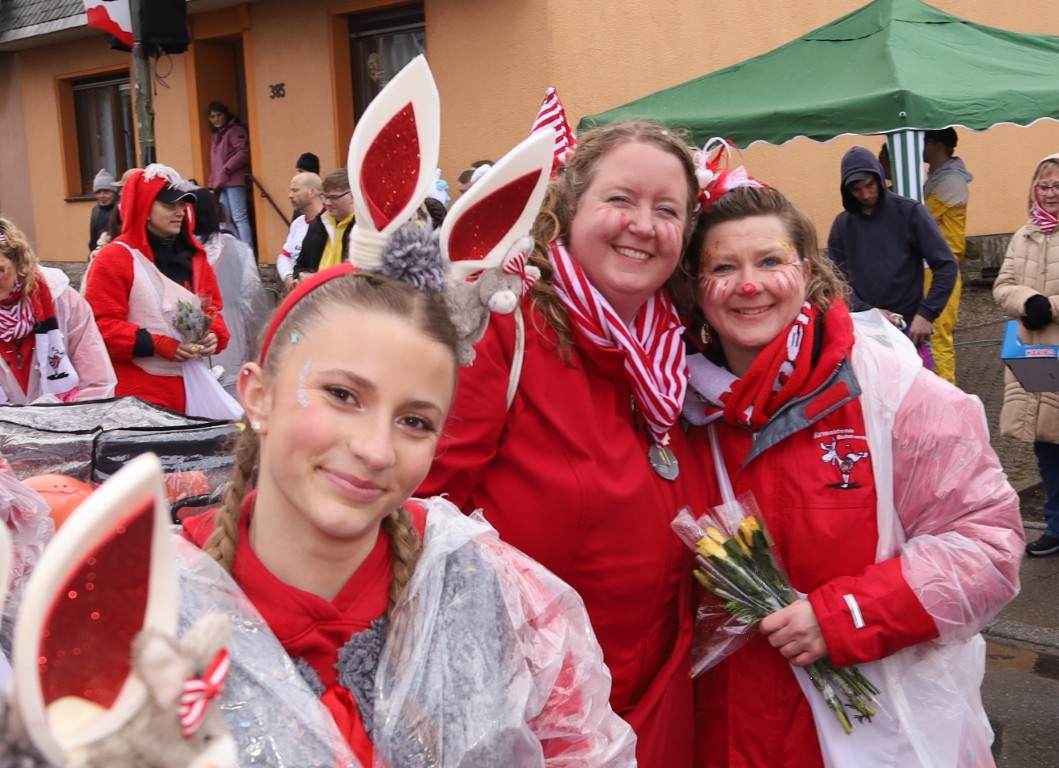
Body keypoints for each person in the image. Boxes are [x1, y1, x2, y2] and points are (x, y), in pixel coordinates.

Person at [180, 264, 637, 766]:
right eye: (343, 395)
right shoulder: (157, 604)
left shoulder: (485, 591)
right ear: (258, 397)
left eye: (415, 422)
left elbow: (579, 746)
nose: (376, 450)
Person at [683, 184, 1023, 767]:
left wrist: (845, 616)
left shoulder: (895, 394)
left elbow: (987, 548)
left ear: (807, 270)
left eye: (770, 260)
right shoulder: (676, 410)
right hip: (726, 735)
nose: (749, 285)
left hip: (876, 733)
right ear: (695, 286)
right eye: (723, 267)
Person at [419, 121, 711, 768]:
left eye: (667, 210)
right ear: (570, 207)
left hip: (658, 703)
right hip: (528, 717)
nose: (643, 225)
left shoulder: (685, 347)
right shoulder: (503, 327)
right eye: (620, 199)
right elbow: (420, 513)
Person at [83, 164, 234, 418]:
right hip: (138, 399)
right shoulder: (114, 259)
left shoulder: (193, 257)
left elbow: (212, 309)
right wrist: (157, 344)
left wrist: (214, 335)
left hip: (192, 388)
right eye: (169, 205)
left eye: (182, 205)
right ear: (144, 208)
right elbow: (100, 327)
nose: (179, 212)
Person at [827, 145, 958, 367]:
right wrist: (868, 311)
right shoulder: (842, 226)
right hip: (865, 333)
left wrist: (927, 314)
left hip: (909, 329)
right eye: (857, 190)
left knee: (920, 390)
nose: (865, 194)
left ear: (879, 178)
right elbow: (837, 282)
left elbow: (946, 265)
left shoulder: (910, 212)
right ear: (847, 191)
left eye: (869, 185)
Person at [994, 153, 1059, 557]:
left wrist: (1051, 307)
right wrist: (1027, 300)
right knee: (1047, 444)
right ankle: (1056, 525)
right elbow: (1002, 286)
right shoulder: (1024, 235)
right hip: (1037, 353)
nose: (1050, 193)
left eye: (1058, 186)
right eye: (1044, 185)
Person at [0, 216, 115, 404]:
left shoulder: (61, 299)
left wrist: (56, 419)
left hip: (68, 419)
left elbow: (97, 383)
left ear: (18, 261)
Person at [191, 188, 270, 396]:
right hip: (230, 330)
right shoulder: (237, 249)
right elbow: (252, 299)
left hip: (192, 336)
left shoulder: (178, 252)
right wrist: (258, 346)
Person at [923, 127, 973, 385]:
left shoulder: (949, 181)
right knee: (933, 336)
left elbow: (921, 219)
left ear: (937, 144)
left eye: (924, 141)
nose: (920, 147)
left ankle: (947, 395)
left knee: (938, 336)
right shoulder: (938, 177)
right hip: (934, 266)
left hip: (943, 268)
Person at [292, 169, 355, 281]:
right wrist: (302, 277)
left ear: (352, 196)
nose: (327, 203)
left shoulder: (363, 229)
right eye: (325, 197)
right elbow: (299, 266)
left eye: (334, 197)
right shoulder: (318, 224)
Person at [206, 101, 252, 244]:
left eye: (218, 115)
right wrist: (212, 184)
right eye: (212, 116)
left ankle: (248, 251)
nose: (216, 119)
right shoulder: (216, 135)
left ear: (226, 114)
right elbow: (215, 163)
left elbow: (243, 152)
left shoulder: (236, 130)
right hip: (223, 182)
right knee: (224, 219)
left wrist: (226, 169)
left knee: (239, 218)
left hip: (234, 180)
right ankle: (240, 249)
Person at [275, 172, 323, 291]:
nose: (290, 195)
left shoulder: (328, 224)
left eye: (295, 190)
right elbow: (284, 256)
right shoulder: (297, 223)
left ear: (312, 192)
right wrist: (289, 278)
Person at [89, 168, 120, 254]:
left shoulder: (120, 210)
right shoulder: (95, 210)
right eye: (98, 192)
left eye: (106, 191)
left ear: (114, 192)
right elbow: (93, 240)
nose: (102, 195)